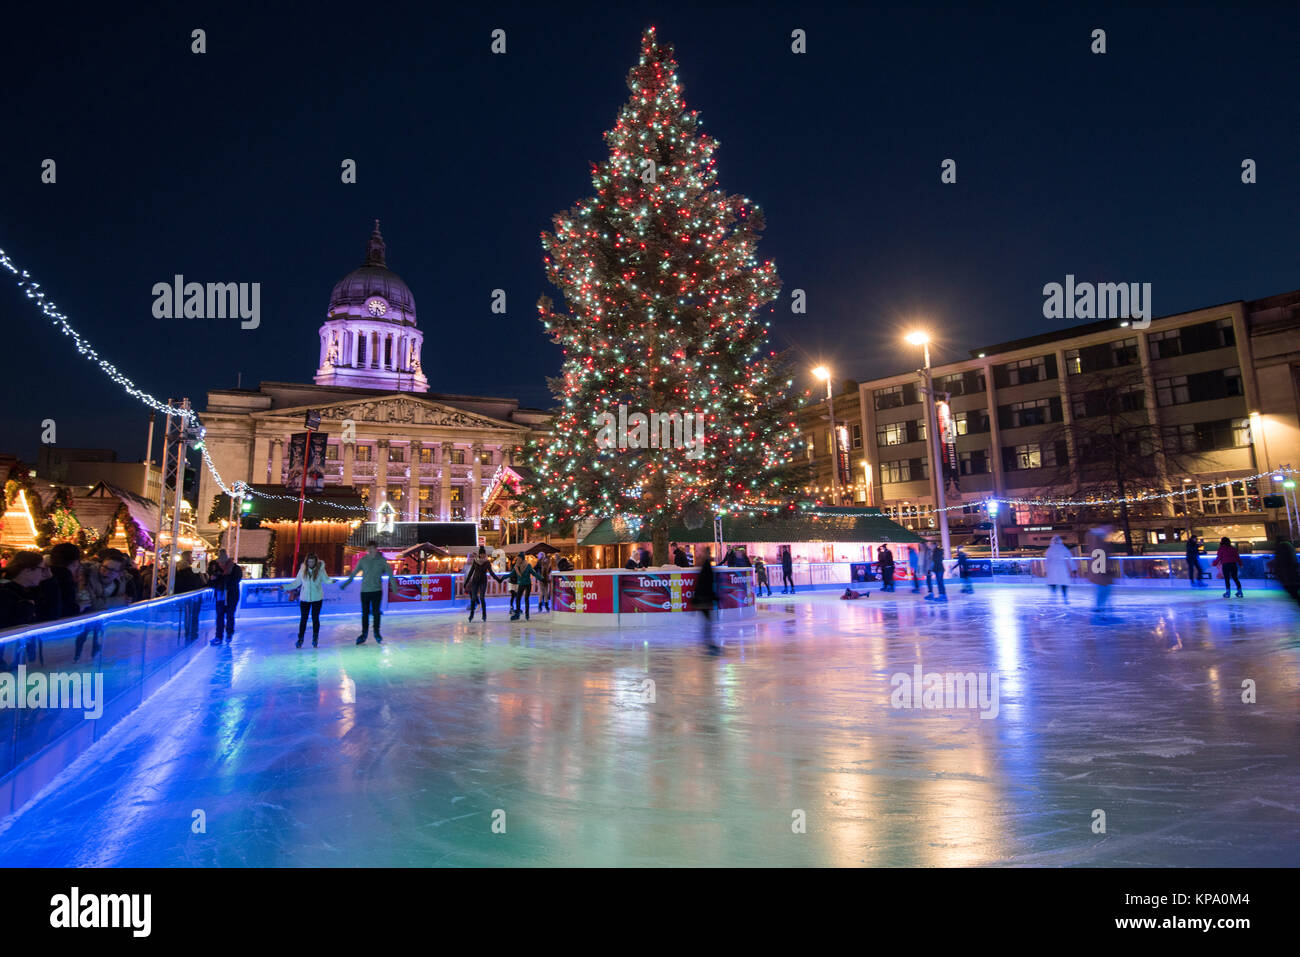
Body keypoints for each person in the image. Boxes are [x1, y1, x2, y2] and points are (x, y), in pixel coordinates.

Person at [341, 541, 390, 643]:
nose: (371, 550)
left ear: (376, 549)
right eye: (369, 548)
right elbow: (354, 573)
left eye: (373, 548)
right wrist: (347, 582)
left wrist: (394, 586)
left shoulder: (381, 560)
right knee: (365, 613)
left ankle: (377, 632)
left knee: (376, 613)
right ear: (367, 550)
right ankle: (364, 634)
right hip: (365, 591)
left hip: (377, 591)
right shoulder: (363, 561)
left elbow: (390, 573)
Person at [288, 553, 332, 647]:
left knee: (315, 618)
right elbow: (296, 582)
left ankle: (315, 638)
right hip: (304, 599)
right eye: (309, 561)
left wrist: (331, 581)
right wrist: (285, 587)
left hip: (317, 598)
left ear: (316, 562)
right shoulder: (302, 570)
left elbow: (326, 579)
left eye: (312, 561)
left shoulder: (320, 570)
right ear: (306, 562)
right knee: (303, 619)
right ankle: (300, 639)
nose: (310, 563)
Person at [208, 550, 243, 645]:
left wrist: (221, 578)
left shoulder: (235, 569)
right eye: (219, 562)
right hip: (220, 595)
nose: (220, 564)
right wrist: (213, 579)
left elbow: (235, 581)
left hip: (232, 595)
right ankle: (218, 636)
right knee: (219, 615)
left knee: (230, 614)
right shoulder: (216, 570)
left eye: (222, 562)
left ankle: (229, 633)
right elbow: (210, 583)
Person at [464, 546, 503, 621]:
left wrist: (498, 579)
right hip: (475, 581)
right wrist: (466, 582)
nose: (483, 555)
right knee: (473, 598)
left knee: (482, 598)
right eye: (482, 554)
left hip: (483, 581)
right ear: (480, 554)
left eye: (484, 554)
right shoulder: (475, 561)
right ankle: (471, 615)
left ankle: (484, 615)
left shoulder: (487, 562)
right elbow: (471, 572)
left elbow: (491, 573)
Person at [692, 546, 719, 649]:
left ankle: (707, 641)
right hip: (704, 599)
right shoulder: (706, 567)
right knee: (708, 621)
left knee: (708, 621)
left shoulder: (705, 566)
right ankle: (708, 642)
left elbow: (704, 583)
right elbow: (705, 584)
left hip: (704, 598)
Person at [1085, 525, 1114, 619]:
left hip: (1100, 571)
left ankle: (1099, 607)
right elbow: (1101, 557)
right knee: (1103, 590)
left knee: (1102, 590)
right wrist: (1106, 569)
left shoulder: (1098, 541)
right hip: (1101, 571)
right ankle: (1099, 608)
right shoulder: (1099, 542)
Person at [46, 542, 82, 619]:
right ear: (75, 562)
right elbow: (67, 609)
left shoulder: (45, 575)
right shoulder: (66, 579)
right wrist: (79, 607)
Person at [1267, 540, 1300, 607]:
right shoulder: (1286, 547)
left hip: (1288, 579)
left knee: (1295, 594)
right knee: (1295, 594)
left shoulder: (1282, 547)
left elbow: (1278, 564)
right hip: (1290, 578)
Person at [510, 554, 540, 621]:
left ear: (522, 558)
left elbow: (533, 573)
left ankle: (527, 615)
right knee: (518, 598)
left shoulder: (527, 565)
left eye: (519, 558)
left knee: (526, 599)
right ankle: (517, 615)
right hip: (521, 583)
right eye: (518, 558)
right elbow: (512, 574)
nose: (518, 559)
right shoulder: (517, 566)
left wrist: (540, 578)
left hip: (527, 584)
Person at [1044, 535, 1073, 602]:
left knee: (1054, 582)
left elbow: (1047, 561)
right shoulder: (1063, 548)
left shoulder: (1050, 549)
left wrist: (1046, 570)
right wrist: (1073, 568)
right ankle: (1064, 597)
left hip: (1053, 568)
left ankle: (1055, 596)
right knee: (1063, 582)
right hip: (1060, 567)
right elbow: (1070, 559)